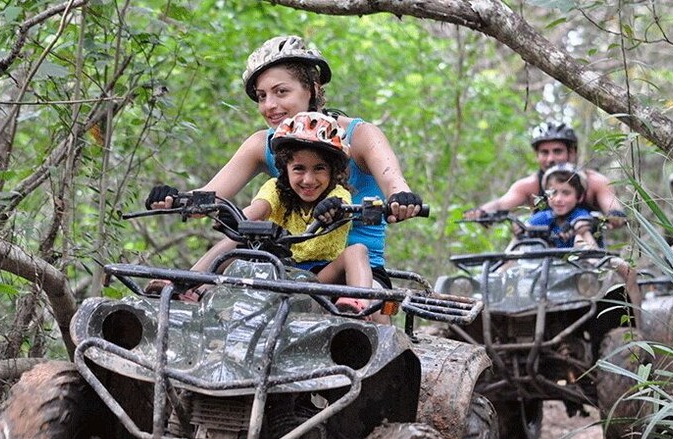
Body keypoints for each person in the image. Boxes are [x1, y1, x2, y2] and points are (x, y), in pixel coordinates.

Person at [145, 35, 422, 289]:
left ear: (312, 89)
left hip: (355, 273)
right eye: (262, 96)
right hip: (286, 270)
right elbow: (209, 198)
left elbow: (394, 182)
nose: (269, 106)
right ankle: (186, 285)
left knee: (363, 314)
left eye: (281, 92)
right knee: (244, 231)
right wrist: (173, 199)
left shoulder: (360, 136)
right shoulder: (262, 143)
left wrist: (402, 199)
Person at [190, 112, 373, 311]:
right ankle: (189, 285)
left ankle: (358, 305)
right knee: (237, 242)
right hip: (278, 269)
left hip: (320, 279)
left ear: (333, 170)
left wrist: (331, 211)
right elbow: (256, 210)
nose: (309, 180)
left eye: (319, 168)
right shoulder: (276, 189)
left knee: (357, 250)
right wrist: (235, 219)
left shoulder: (337, 194)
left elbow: (340, 209)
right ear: (285, 168)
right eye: (299, 169)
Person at [464, 122, 625, 226]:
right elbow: (501, 204)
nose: (550, 159)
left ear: (572, 152)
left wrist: (612, 217)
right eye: (544, 152)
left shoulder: (595, 182)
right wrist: (481, 212)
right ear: (537, 155)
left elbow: (614, 210)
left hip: (585, 257)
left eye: (557, 151)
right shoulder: (529, 186)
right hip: (539, 257)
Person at [527, 163, 597, 249]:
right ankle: (507, 261)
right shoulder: (544, 216)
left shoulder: (579, 214)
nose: (558, 199)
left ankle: (592, 259)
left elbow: (583, 223)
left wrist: (573, 228)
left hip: (577, 261)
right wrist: (519, 230)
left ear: (579, 197)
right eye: (553, 193)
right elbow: (527, 227)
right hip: (546, 260)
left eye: (566, 193)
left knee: (582, 234)